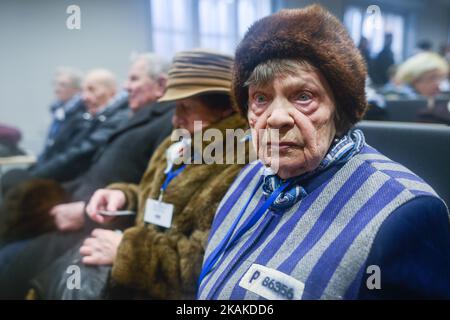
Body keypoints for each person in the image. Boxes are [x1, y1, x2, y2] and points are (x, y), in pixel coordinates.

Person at [197, 5, 450, 300]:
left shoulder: (406, 214)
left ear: (338, 107)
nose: (277, 118)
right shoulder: (250, 176)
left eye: (304, 96)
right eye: (261, 98)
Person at [2, 49, 252, 300]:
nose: (176, 119)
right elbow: (159, 196)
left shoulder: (240, 163)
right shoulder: (181, 142)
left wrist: (128, 252)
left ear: (226, 109)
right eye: (175, 107)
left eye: (186, 108)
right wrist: (123, 196)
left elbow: (207, 262)